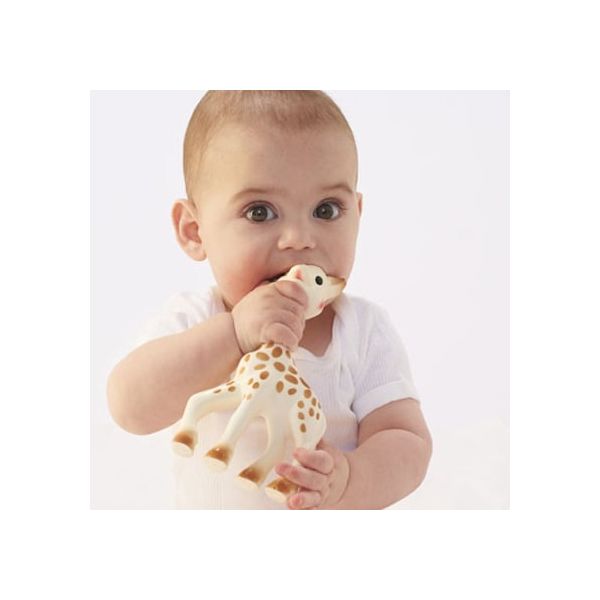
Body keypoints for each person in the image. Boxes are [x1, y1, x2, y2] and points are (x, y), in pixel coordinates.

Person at [107, 90, 432, 509]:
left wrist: (351, 477)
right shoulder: (196, 318)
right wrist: (234, 334)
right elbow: (129, 407)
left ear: (357, 213)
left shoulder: (362, 331)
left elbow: (406, 440)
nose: (299, 238)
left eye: (326, 210)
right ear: (194, 231)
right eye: (259, 212)